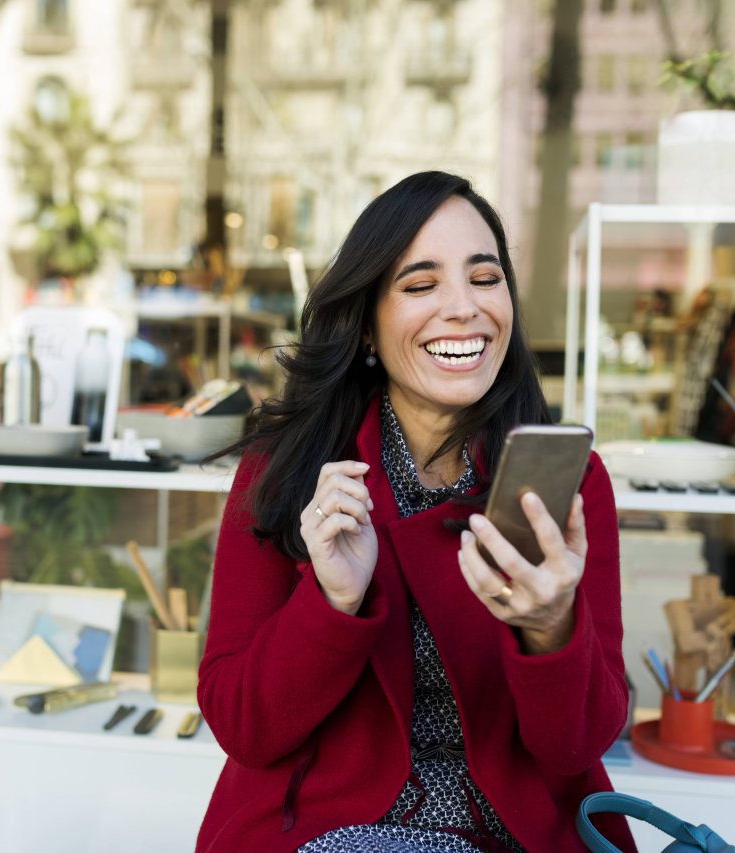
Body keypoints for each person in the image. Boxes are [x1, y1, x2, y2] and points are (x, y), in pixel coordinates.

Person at [196, 171, 634, 853]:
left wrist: (550, 626)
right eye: (421, 284)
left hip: (512, 832)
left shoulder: (569, 484)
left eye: (485, 278)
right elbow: (243, 726)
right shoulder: (285, 470)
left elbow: (577, 745)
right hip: (330, 828)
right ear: (367, 328)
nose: (463, 308)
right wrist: (332, 600)